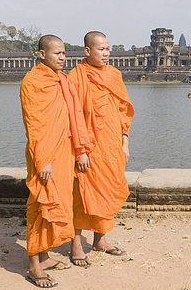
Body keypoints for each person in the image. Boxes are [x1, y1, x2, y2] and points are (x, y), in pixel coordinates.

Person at [20, 35, 92, 288]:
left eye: (64, 53)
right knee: (41, 206)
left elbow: (75, 118)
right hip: (45, 154)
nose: (62, 58)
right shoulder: (33, 82)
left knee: (59, 203)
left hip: (64, 152)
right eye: (57, 53)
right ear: (42, 54)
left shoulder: (63, 80)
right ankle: (33, 266)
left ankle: (45, 256)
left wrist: (80, 150)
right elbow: (35, 125)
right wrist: (43, 161)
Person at [67, 31, 134, 266]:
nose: (106, 53)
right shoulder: (76, 77)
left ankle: (100, 240)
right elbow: (72, 117)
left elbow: (123, 110)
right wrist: (80, 150)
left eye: (108, 49)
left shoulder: (114, 75)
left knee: (107, 190)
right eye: (101, 49)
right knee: (82, 194)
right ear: (88, 51)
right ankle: (76, 243)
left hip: (112, 145)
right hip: (89, 147)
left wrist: (125, 140)